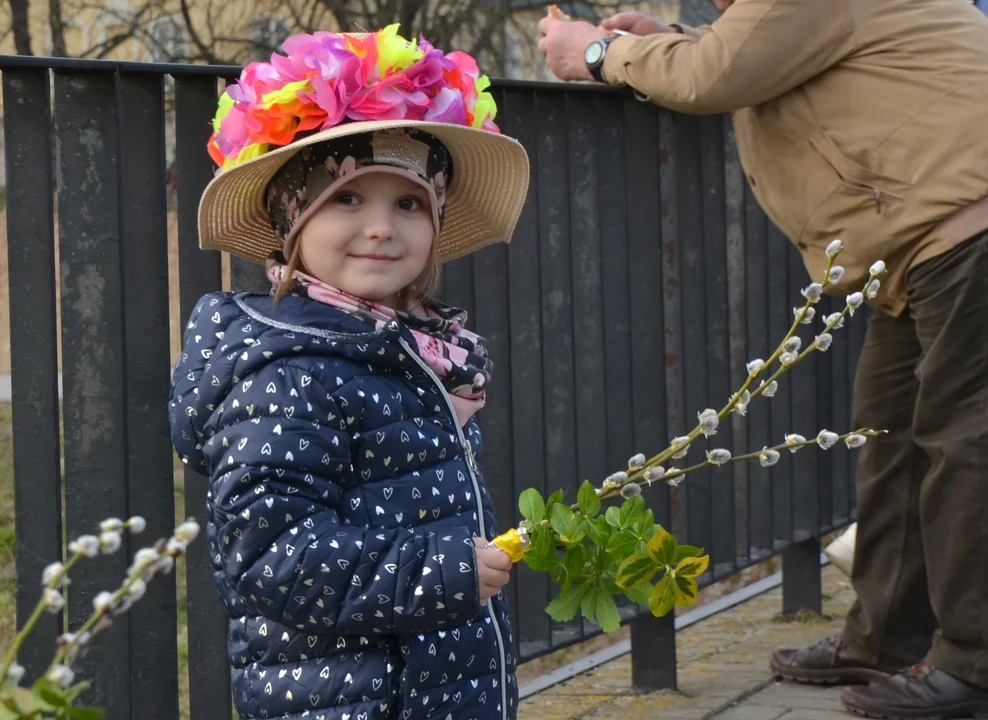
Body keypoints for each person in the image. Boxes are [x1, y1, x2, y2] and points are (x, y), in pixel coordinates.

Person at [538, 1, 988, 718]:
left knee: (965, 448)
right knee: (890, 439)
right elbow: (743, 54)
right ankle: (885, 638)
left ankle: (973, 666)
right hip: (925, 247)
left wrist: (596, 54)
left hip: (964, 234)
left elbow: (715, 74)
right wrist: (670, 44)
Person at [168, 26, 530, 720]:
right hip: (343, 700)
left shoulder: (412, 350)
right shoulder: (288, 374)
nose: (380, 229)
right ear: (289, 220)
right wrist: (444, 572)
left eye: (408, 203)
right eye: (346, 199)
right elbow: (270, 556)